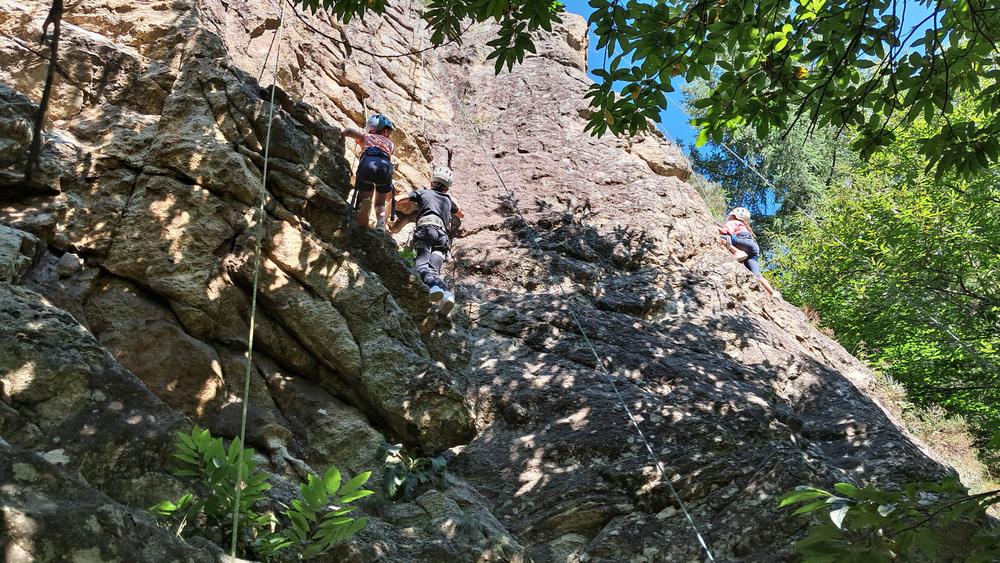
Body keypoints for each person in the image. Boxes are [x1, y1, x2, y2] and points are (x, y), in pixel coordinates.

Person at [399, 166, 464, 314]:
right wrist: (452, 202)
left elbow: (401, 198)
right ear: (447, 188)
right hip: (442, 237)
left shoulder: (425, 192)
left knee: (421, 266)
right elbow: (461, 214)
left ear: (432, 181)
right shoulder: (448, 200)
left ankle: (434, 288)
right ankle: (447, 295)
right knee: (433, 270)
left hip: (427, 231)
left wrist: (392, 199)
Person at [343, 114, 396, 231]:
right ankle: (381, 223)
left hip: (368, 164)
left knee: (365, 193)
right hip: (385, 168)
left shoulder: (367, 137)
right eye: (388, 131)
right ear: (385, 131)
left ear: (371, 129)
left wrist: (342, 134)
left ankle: (364, 206)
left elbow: (350, 132)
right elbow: (390, 154)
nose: (389, 134)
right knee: (380, 203)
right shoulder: (390, 144)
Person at [718, 207, 781, 300]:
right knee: (757, 275)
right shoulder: (745, 227)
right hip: (753, 249)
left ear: (734, 216)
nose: (728, 217)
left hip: (742, 242)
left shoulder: (733, 222)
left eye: (730, 216)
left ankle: (737, 251)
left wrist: (713, 227)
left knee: (722, 237)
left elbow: (724, 231)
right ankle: (772, 292)